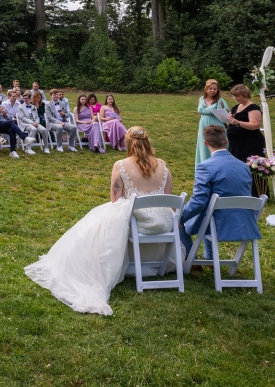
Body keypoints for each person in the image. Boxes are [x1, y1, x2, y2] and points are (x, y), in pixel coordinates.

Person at [25, 125, 176, 316]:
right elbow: (167, 199)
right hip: (164, 225)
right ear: (148, 141)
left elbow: (116, 199)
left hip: (139, 223)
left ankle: (101, 265)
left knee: (102, 220)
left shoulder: (121, 164)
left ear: (128, 143)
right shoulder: (163, 165)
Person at [181, 125, 261, 260]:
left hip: (218, 223)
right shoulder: (244, 166)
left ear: (206, 143)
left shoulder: (205, 167)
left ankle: (191, 260)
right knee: (209, 212)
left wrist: (179, 215)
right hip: (244, 223)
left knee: (180, 221)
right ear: (226, 141)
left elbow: (199, 201)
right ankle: (211, 259)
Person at [225, 84, 265, 168]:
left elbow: (255, 125)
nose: (235, 98)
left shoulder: (253, 108)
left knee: (248, 167)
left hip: (249, 143)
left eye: (237, 96)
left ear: (245, 95)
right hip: (235, 144)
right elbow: (231, 123)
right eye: (234, 96)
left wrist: (238, 122)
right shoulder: (236, 107)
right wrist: (229, 119)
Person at [195, 79, 230, 164]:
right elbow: (200, 112)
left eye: (215, 89)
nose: (212, 91)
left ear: (217, 90)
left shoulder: (220, 101)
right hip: (203, 125)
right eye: (210, 88)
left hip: (216, 125)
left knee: (217, 144)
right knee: (204, 145)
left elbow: (226, 114)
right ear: (206, 89)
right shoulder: (201, 99)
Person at [0, 93, 29, 158]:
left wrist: (6, 115)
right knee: (11, 122)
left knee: (11, 129)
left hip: (4, 124)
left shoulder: (1, 106)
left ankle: (13, 151)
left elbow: (10, 117)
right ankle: (24, 137)